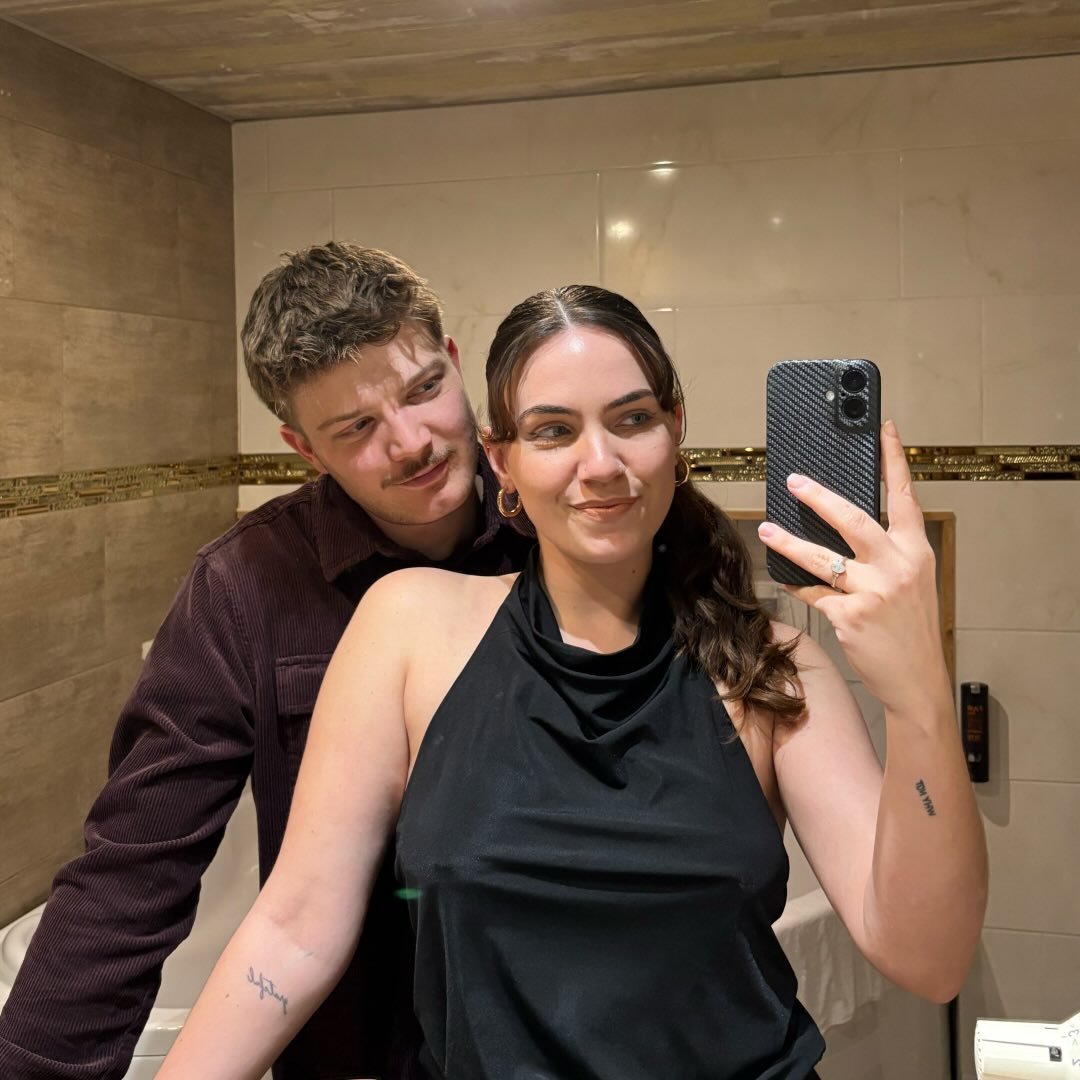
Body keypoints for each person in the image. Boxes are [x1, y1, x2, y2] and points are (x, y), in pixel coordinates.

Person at [156, 285, 988, 1080]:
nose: (601, 464)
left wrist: (917, 690)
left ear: (675, 428)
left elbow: (930, 960)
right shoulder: (408, 628)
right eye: (553, 431)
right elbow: (295, 927)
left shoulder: (772, 669)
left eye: (632, 419)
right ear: (503, 461)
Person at [0, 243, 534, 1080]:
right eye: (356, 428)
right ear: (303, 448)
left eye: (423, 389)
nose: (411, 442)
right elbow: (134, 868)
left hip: (550, 1031)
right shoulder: (243, 586)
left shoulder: (563, 531)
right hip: (353, 1045)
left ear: (454, 362)